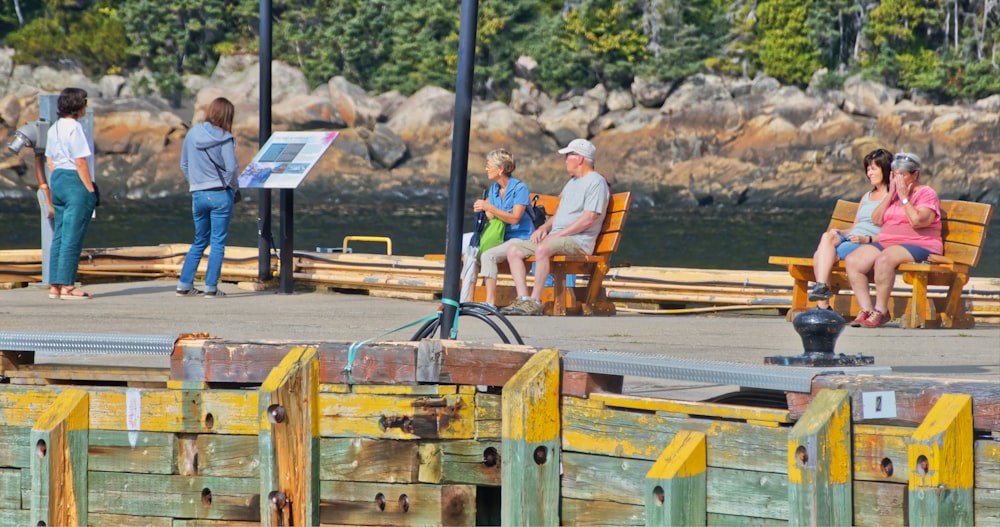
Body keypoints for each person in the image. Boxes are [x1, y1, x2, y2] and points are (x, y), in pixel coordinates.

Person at [500, 138, 609, 316]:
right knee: (514, 250)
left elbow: (589, 218)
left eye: (568, 155)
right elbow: (560, 215)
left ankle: (535, 301)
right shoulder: (571, 183)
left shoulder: (596, 182)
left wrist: (557, 236)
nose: (565, 159)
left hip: (578, 241)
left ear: (579, 158)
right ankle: (523, 299)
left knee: (543, 248)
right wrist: (544, 228)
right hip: (557, 239)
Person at [844, 152, 942, 328]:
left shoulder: (926, 193)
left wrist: (905, 198)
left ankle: (880, 310)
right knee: (853, 261)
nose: (898, 179)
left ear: (915, 174)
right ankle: (866, 309)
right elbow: (876, 219)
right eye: (894, 174)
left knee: (885, 259)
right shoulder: (894, 194)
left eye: (902, 175)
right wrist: (891, 195)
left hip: (920, 243)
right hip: (888, 241)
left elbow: (918, 221)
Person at [808, 148, 892, 309]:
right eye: (868, 169)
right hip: (852, 237)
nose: (869, 173)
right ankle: (821, 289)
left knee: (820, 255)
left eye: (873, 168)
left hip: (867, 243)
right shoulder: (866, 196)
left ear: (885, 169)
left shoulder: (891, 197)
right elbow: (855, 226)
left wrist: (866, 239)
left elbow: (892, 231)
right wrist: (840, 232)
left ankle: (823, 305)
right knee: (827, 237)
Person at [176, 97, 239, 298]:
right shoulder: (225, 137)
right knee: (218, 242)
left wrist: (196, 183)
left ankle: (184, 284)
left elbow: (184, 165)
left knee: (199, 240)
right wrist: (233, 189)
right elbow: (232, 169)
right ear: (228, 115)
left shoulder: (192, 133)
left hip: (198, 194)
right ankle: (211, 288)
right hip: (220, 194)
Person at [46, 87, 97, 300]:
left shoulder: (53, 128)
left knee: (59, 233)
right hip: (74, 181)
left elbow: (49, 161)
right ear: (78, 106)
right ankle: (68, 285)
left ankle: (55, 284)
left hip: (57, 179)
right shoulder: (75, 128)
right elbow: (80, 162)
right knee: (73, 235)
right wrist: (90, 189)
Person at [471, 148, 535, 308]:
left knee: (488, 256)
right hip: (500, 237)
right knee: (469, 253)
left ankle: (490, 303)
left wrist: (490, 208)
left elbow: (514, 219)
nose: (486, 168)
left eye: (489, 165)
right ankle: (467, 300)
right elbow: (492, 216)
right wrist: (482, 213)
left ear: (500, 169)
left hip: (520, 238)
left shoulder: (520, 188)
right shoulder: (494, 189)